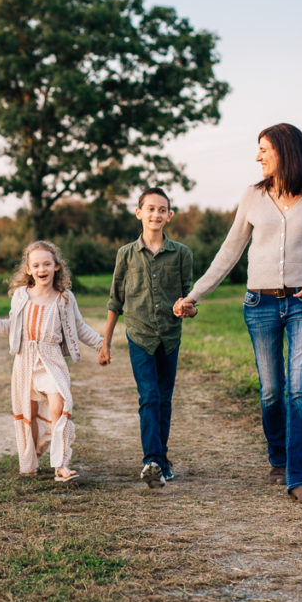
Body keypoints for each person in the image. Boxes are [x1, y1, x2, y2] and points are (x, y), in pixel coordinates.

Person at [174, 123, 302, 504]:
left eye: (263, 148)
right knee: (270, 391)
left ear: (285, 150)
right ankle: (277, 459)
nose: (257, 156)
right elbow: (230, 251)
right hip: (260, 304)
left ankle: (299, 478)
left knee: (299, 389)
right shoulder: (253, 196)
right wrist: (195, 294)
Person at [0, 241, 103, 482]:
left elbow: (79, 327)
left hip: (51, 359)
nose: (42, 269)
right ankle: (33, 458)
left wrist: (102, 345)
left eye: (47, 263)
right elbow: (11, 328)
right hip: (25, 361)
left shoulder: (65, 298)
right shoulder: (20, 296)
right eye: (36, 265)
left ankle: (60, 464)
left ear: (56, 267)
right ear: (28, 269)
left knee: (60, 402)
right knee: (30, 411)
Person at [99, 188, 194, 489]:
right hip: (139, 336)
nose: (156, 214)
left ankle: (162, 462)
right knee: (149, 397)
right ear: (138, 212)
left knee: (164, 399)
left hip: (169, 337)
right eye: (150, 209)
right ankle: (151, 460)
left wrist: (186, 308)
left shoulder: (182, 254)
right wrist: (105, 343)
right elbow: (115, 301)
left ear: (170, 215)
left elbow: (191, 299)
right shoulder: (125, 254)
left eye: (161, 209)